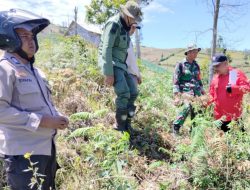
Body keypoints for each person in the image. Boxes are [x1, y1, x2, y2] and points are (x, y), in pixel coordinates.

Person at [0, 9, 69, 190]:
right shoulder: (5, 69)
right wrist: (43, 121)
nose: (31, 40)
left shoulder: (36, 71)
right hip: (24, 155)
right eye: (24, 36)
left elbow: (42, 105)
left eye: (32, 36)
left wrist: (57, 116)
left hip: (46, 150)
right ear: (9, 37)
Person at [98, 1, 142, 132]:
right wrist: (108, 73)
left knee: (133, 93)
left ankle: (128, 122)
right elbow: (106, 48)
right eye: (133, 18)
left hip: (122, 65)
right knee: (123, 93)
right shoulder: (114, 24)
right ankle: (120, 125)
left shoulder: (126, 27)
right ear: (126, 15)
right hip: (112, 63)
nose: (134, 21)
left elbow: (125, 51)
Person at [209, 53, 250, 132]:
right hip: (219, 118)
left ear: (225, 63)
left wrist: (234, 89)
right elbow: (211, 95)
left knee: (237, 142)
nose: (215, 68)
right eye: (214, 66)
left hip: (234, 118)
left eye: (217, 65)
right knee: (221, 143)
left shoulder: (235, 74)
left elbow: (247, 88)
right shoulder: (215, 78)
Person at [172, 44, 205, 135]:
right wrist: (176, 96)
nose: (196, 53)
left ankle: (194, 133)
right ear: (188, 52)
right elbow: (175, 81)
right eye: (194, 51)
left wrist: (203, 92)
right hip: (185, 92)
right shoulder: (180, 65)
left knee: (198, 110)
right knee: (187, 107)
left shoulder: (196, 65)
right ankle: (176, 126)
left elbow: (199, 80)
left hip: (196, 92)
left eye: (197, 51)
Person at [125, 23, 142, 130]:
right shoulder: (123, 40)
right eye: (132, 28)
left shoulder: (129, 41)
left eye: (135, 28)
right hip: (127, 73)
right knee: (129, 97)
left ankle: (128, 122)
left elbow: (133, 61)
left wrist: (138, 74)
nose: (134, 30)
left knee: (132, 98)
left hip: (133, 74)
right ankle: (123, 122)